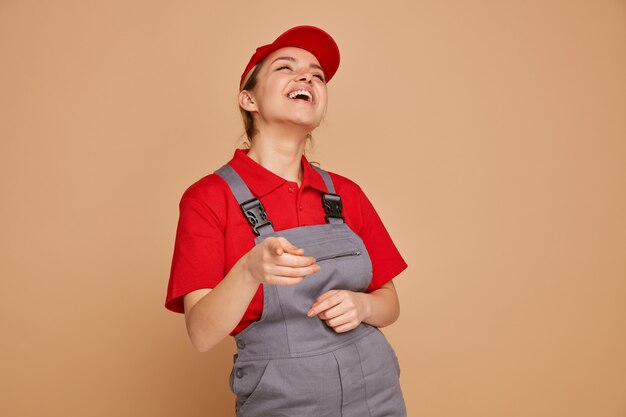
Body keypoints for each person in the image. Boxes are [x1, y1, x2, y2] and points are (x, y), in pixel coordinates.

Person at [165, 25, 408, 417]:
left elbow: (389, 302)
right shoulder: (209, 198)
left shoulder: (346, 194)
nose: (307, 77)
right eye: (286, 67)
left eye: (317, 74)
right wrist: (249, 269)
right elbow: (201, 334)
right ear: (248, 99)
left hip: (376, 394)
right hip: (284, 403)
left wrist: (362, 306)